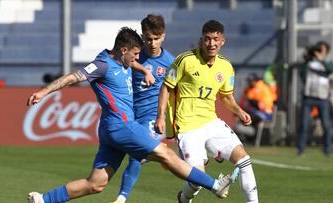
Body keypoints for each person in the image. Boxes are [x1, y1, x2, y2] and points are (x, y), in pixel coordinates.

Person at [27, 27, 235, 203]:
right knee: (166, 154)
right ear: (123, 50)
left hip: (110, 131)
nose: (138, 59)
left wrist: (145, 71)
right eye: (135, 54)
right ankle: (216, 185)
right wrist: (44, 92)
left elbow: (134, 64)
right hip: (122, 126)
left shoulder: (121, 60)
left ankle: (43, 200)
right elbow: (73, 77)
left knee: (95, 184)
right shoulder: (102, 65)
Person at [155, 20, 258, 203]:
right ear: (202, 40)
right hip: (186, 126)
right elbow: (166, 88)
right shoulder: (185, 60)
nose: (211, 44)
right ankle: (184, 199)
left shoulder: (226, 67)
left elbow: (226, 97)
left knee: (244, 161)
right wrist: (160, 117)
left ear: (223, 41)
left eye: (215, 39)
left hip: (211, 122)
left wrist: (240, 112)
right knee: (197, 179)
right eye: (208, 39)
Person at [110, 14, 174, 203]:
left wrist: (163, 117)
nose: (152, 43)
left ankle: (121, 199)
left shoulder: (170, 62)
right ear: (142, 36)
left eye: (156, 38)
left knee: (136, 155)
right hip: (129, 113)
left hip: (150, 115)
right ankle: (162, 155)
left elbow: (172, 90)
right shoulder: (134, 54)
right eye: (147, 38)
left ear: (163, 36)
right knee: (126, 152)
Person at [298, 41, 333, 156]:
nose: (319, 52)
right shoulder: (309, 63)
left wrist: (321, 59)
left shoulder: (328, 63)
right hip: (308, 97)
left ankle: (327, 150)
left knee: (326, 125)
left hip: (323, 98)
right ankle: (301, 150)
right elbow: (302, 73)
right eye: (318, 50)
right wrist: (309, 57)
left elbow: (330, 70)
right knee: (304, 124)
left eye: (322, 50)